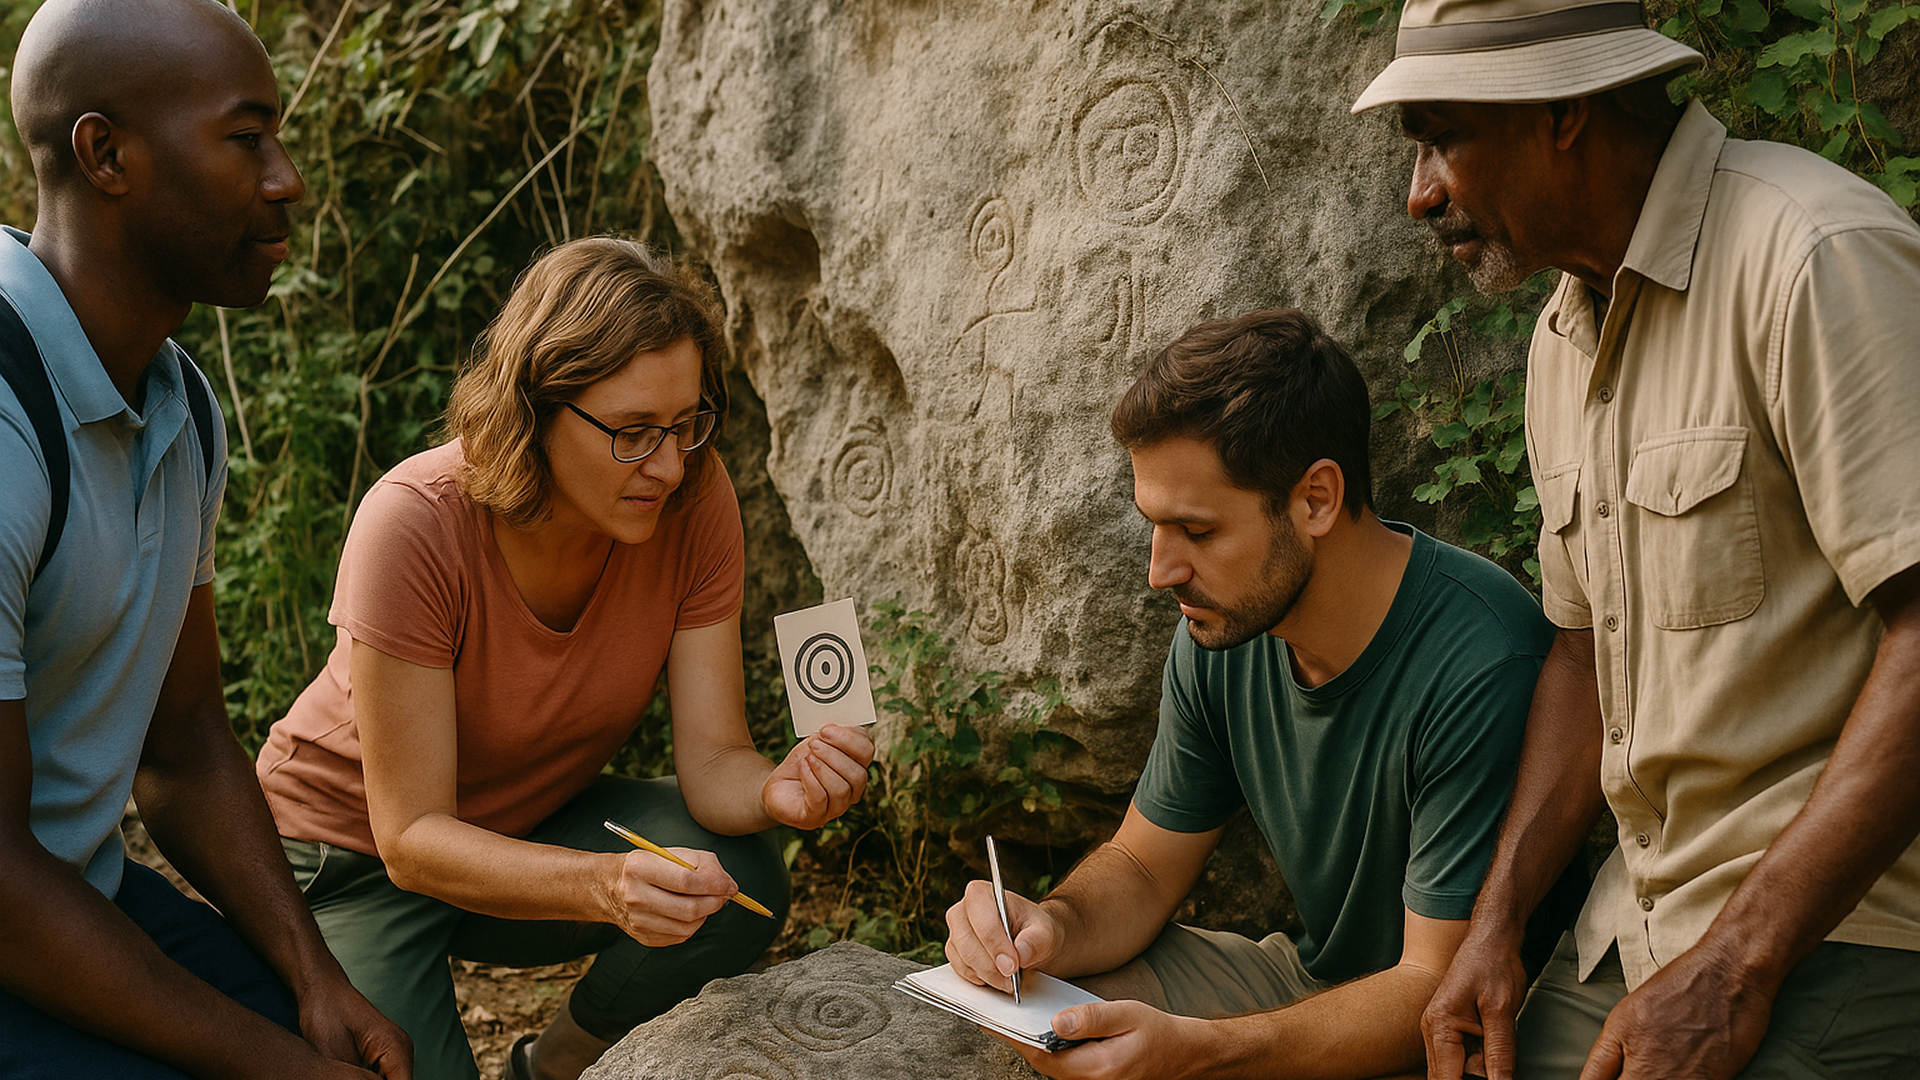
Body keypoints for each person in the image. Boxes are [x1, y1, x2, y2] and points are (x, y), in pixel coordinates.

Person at [1352, 2, 1920, 1077]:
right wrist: (1497, 925)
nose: (1420, 192)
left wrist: (1737, 968)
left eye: (1443, 135)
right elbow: (1582, 655)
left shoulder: (1812, 254)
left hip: (1840, 946)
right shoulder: (1562, 340)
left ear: (1563, 109)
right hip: (1630, 945)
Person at [253, 236, 877, 1080]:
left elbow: (714, 758)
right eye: (631, 432)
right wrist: (606, 886)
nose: (666, 463)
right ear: (535, 409)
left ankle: (551, 1068)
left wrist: (777, 788)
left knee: (738, 877)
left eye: (687, 423)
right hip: (346, 859)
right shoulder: (413, 523)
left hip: (522, 827)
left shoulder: (694, 496)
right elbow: (409, 839)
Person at [942, 308, 1564, 1080]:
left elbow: (1436, 987)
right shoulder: (1226, 629)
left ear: (1316, 499)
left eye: (1196, 532)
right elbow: (1140, 866)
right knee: (1056, 1007)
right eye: (1155, 527)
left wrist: (1207, 1054)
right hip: (1313, 986)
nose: (1159, 571)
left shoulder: (1478, 658)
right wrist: (1048, 927)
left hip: (1472, 1032)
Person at [0, 1, 413, 1077]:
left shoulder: (180, 403)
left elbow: (182, 747)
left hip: (65, 891)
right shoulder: (5, 422)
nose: (287, 179)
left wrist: (318, 982)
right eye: (245, 138)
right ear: (107, 155)